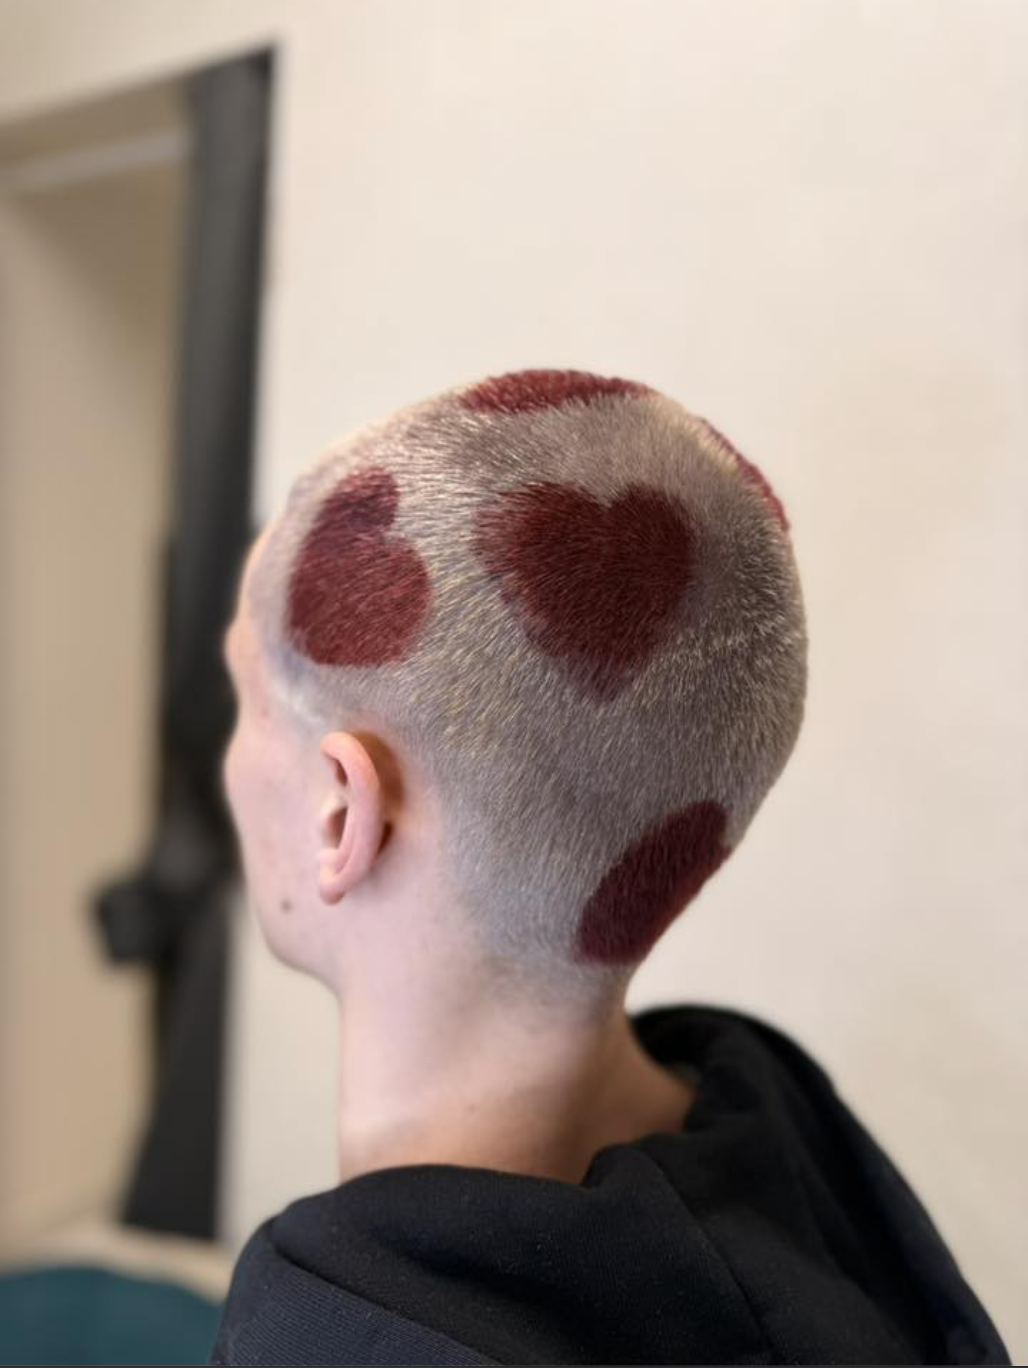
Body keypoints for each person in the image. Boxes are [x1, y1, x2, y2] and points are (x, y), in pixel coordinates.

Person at [209, 368, 1010, 1365]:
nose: (228, 763)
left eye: (242, 697)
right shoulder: (774, 1112)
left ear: (340, 813)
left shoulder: (324, 1332)